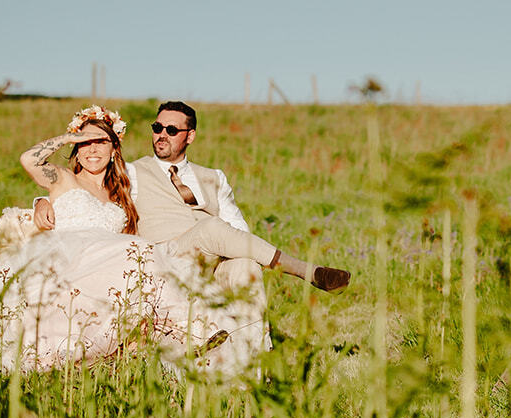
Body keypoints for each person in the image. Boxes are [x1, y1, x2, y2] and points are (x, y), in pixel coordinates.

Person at [0, 106, 245, 372]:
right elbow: (28, 159)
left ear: (114, 148)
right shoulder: (64, 178)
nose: (91, 150)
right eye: (84, 143)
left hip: (103, 271)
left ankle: (192, 335)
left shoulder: (122, 194)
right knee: (135, 251)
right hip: (65, 263)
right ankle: (191, 330)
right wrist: (66, 140)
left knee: (143, 256)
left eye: (100, 142)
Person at [130, 100, 350, 292]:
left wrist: (245, 257)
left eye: (171, 130)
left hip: (212, 261)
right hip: (167, 256)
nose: (162, 135)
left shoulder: (214, 177)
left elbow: (237, 227)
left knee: (247, 267)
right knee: (211, 227)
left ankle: (251, 341)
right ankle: (305, 270)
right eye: (157, 128)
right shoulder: (133, 172)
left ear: (190, 136)